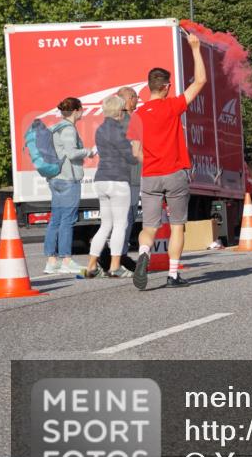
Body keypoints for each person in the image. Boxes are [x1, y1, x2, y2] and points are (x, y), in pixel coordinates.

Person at [128, 33, 208, 290]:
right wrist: (195, 48)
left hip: (149, 175)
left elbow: (135, 151)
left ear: (149, 86)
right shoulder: (172, 106)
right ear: (165, 87)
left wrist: (150, 160)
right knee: (177, 226)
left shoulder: (137, 115)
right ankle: (173, 275)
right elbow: (201, 81)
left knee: (149, 227)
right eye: (170, 86)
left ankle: (143, 253)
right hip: (174, 172)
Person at [84, 95, 139, 278]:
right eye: (123, 110)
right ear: (118, 111)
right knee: (120, 225)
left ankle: (91, 265)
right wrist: (136, 149)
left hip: (101, 179)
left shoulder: (100, 129)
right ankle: (115, 267)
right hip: (117, 181)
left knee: (105, 225)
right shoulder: (117, 131)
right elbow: (130, 157)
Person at [43, 97, 95, 274]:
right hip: (68, 179)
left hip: (55, 178)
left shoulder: (55, 128)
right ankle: (66, 260)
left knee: (55, 219)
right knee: (68, 220)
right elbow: (72, 154)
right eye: (81, 109)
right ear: (76, 110)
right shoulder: (68, 129)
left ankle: (51, 261)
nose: (82, 112)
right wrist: (89, 151)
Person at [116, 86, 142, 270]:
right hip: (129, 176)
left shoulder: (113, 120)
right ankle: (120, 257)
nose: (138, 99)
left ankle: (117, 256)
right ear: (128, 99)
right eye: (135, 97)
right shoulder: (130, 121)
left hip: (119, 176)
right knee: (127, 217)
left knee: (123, 217)